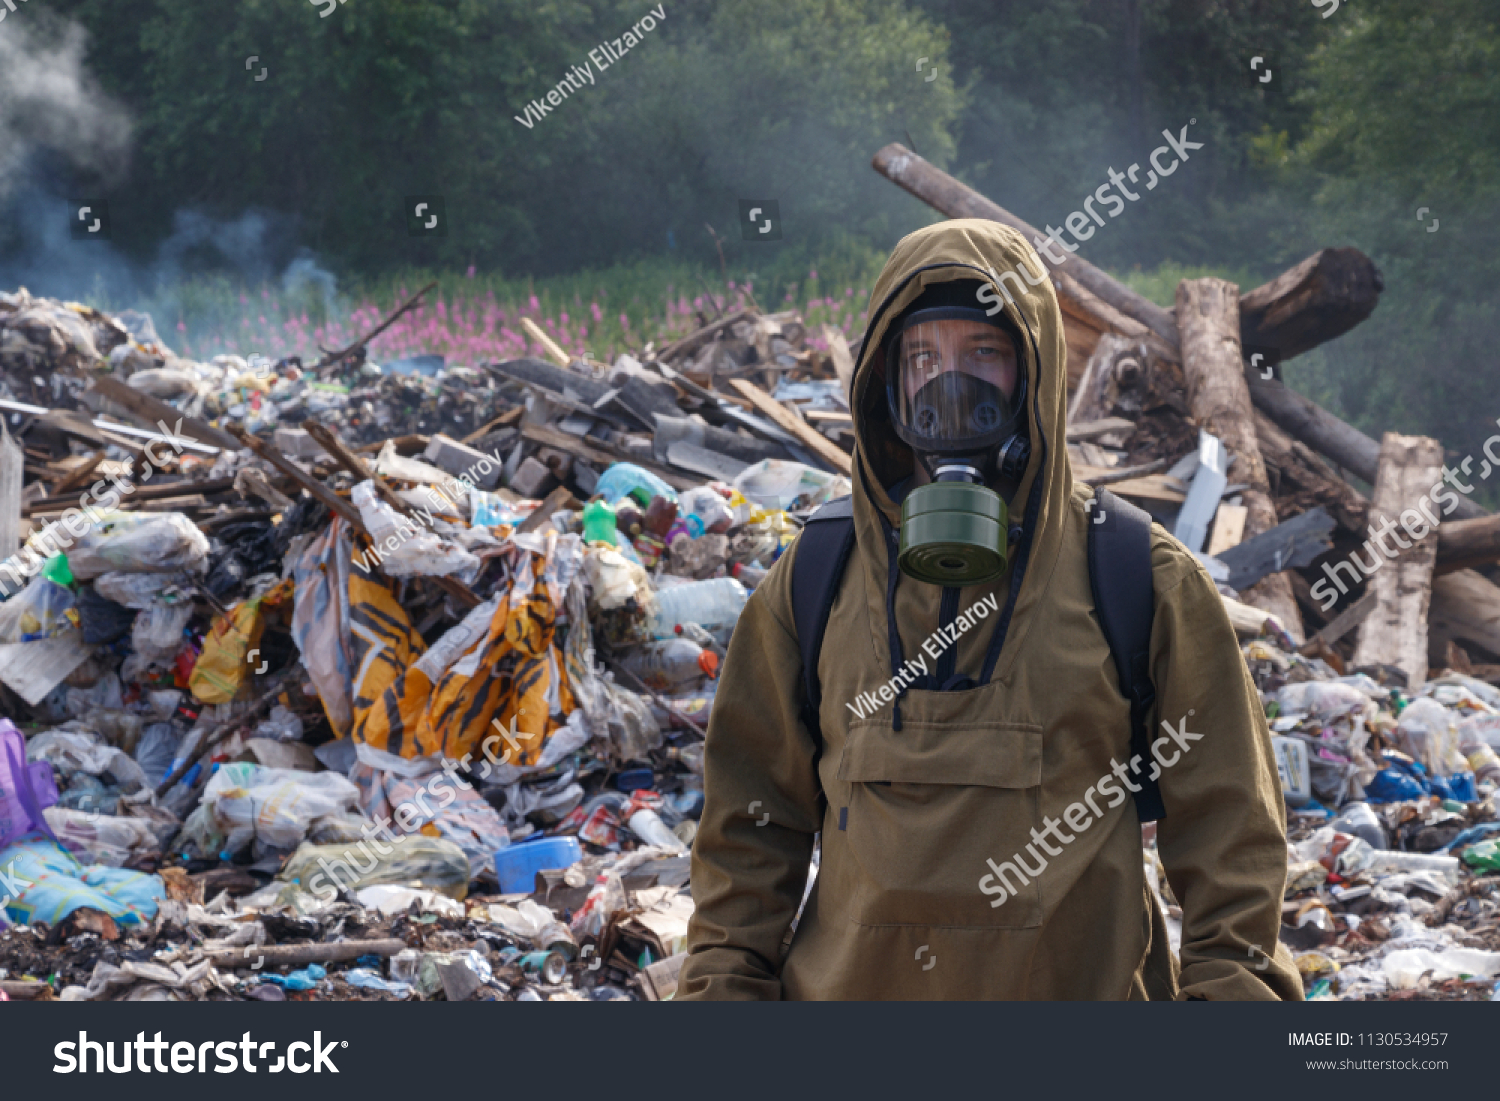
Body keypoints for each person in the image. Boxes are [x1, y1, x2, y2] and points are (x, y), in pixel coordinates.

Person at [677, 219, 1301, 1000]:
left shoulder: (1133, 576)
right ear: (886, 384)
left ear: (1031, 373)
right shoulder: (818, 577)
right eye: (923, 358)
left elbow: (1232, 829)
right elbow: (748, 827)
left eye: (983, 354)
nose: (951, 387)